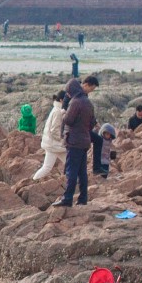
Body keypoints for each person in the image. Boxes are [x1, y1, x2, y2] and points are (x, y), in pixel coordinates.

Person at [56, 79, 96, 207]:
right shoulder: (88, 102)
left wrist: (63, 114)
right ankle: (83, 198)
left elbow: (68, 120)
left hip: (74, 140)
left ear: (71, 90)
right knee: (82, 171)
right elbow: (92, 122)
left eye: (68, 91)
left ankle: (67, 199)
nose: (67, 94)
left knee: (71, 171)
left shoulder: (75, 102)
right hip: (84, 140)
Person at [33, 92, 67, 182]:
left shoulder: (57, 109)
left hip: (53, 144)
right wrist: (64, 139)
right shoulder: (58, 112)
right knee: (48, 167)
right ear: (61, 100)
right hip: (55, 145)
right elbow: (54, 131)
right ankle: (33, 180)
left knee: (47, 167)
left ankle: (34, 180)